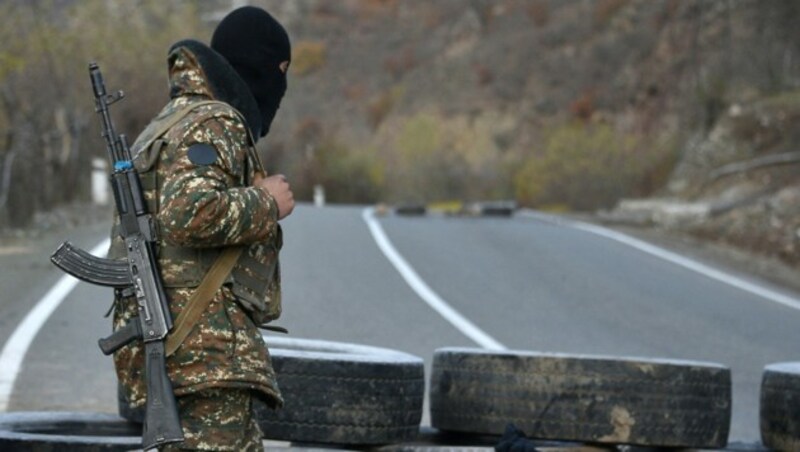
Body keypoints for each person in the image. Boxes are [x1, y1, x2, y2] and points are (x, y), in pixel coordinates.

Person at [108, 6, 294, 450]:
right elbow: (189, 213)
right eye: (280, 71)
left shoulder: (169, 122)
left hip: (187, 352)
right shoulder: (214, 121)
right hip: (203, 356)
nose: (281, 86)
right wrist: (267, 201)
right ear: (256, 65)